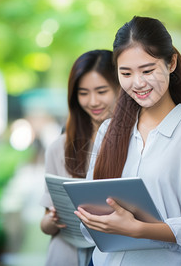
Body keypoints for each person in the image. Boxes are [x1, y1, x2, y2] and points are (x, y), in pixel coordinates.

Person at [74, 16, 181, 266]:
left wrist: (139, 229)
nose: (137, 83)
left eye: (148, 70)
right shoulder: (109, 130)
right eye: (126, 73)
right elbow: (87, 228)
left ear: (171, 62)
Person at [39, 49, 119, 266]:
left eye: (102, 91)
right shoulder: (59, 147)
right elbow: (45, 226)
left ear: (120, 88)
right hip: (66, 254)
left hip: (115, 254)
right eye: (83, 93)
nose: (93, 102)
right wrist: (53, 218)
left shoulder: (137, 143)